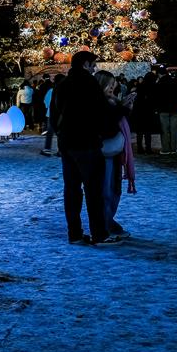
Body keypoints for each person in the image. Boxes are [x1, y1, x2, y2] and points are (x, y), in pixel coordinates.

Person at [50, 51, 115, 245]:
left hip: (67, 144)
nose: (95, 68)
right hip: (87, 143)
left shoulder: (62, 85)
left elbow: (54, 115)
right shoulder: (90, 83)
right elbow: (101, 113)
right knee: (93, 190)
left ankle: (75, 234)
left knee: (71, 189)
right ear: (86, 64)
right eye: (93, 64)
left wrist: (61, 134)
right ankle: (99, 233)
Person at [96, 71, 135, 240]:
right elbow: (107, 127)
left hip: (115, 151)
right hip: (105, 151)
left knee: (113, 188)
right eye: (108, 84)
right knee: (106, 190)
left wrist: (124, 107)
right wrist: (123, 109)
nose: (112, 87)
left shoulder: (112, 102)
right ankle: (106, 223)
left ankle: (108, 221)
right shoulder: (99, 104)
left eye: (113, 84)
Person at [154, 70, 177, 155]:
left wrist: (157, 108)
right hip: (174, 109)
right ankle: (173, 148)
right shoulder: (175, 82)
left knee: (164, 130)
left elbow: (157, 97)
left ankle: (165, 149)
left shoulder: (159, 84)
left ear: (160, 74)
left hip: (163, 109)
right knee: (173, 129)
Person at [131, 71, 158, 154]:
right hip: (148, 112)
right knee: (147, 131)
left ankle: (140, 148)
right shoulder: (153, 87)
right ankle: (148, 148)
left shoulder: (140, 86)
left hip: (139, 111)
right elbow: (153, 100)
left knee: (140, 131)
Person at [41, 74, 64, 156]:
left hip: (51, 114)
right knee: (60, 133)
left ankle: (47, 148)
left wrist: (49, 107)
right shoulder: (66, 90)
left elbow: (46, 102)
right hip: (62, 114)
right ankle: (61, 150)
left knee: (50, 132)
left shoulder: (51, 90)